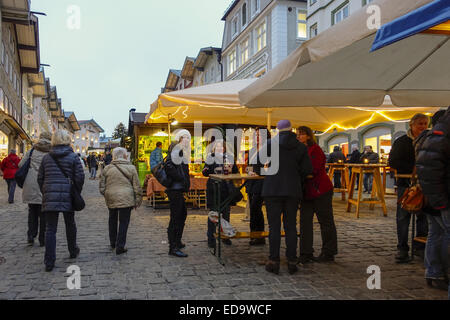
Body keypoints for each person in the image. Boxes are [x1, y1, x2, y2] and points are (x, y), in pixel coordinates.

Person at [261, 120, 313, 275]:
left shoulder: (271, 143)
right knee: (291, 227)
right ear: (291, 129)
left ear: (278, 130)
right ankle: (291, 261)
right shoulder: (300, 146)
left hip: (272, 190)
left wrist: (267, 173)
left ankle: (273, 261)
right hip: (292, 190)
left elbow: (257, 162)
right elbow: (307, 170)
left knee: (274, 227)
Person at [38, 130, 85, 272]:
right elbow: (80, 177)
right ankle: (72, 250)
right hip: (68, 195)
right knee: (70, 224)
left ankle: (49, 261)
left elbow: (40, 178)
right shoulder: (73, 157)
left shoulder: (46, 158)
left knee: (50, 229)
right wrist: (75, 191)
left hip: (50, 195)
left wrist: (46, 190)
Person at [416, 107, 450, 295]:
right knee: (442, 234)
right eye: (419, 123)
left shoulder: (430, 137)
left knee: (435, 233)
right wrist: (440, 201)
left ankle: (434, 271)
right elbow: (428, 168)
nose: (422, 126)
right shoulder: (438, 135)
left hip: (433, 197)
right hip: (439, 197)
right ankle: (439, 271)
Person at [389, 113, 430, 263]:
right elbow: (393, 161)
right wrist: (413, 168)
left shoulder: (428, 141)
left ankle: (419, 247)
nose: (423, 127)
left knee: (423, 217)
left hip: (424, 184)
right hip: (405, 185)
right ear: (412, 125)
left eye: (425, 123)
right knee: (403, 217)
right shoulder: (402, 142)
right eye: (420, 124)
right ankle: (402, 248)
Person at [297, 126, 338, 264]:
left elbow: (312, 169)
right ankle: (305, 252)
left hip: (321, 190)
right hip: (307, 191)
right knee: (305, 222)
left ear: (308, 136)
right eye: (297, 134)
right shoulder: (300, 150)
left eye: (301, 134)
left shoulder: (315, 150)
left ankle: (329, 252)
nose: (298, 136)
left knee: (325, 221)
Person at [100, 147, 142, 255]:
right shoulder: (131, 168)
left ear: (113, 156)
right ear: (125, 156)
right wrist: (137, 200)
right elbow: (137, 186)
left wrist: (106, 193)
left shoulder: (107, 168)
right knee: (124, 222)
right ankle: (120, 245)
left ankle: (113, 242)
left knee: (112, 219)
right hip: (126, 197)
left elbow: (102, 186)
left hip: (111, 196)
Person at [202, 140, 239, 249]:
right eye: (217, 147)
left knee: (226, 213)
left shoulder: (229, 157)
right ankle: (211, 238)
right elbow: (205, 172)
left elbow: (236, 171)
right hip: (214, 188)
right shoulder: (210, 157)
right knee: (213, 213)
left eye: (221, 147)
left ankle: (225, 236)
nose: (219, 148)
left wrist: (231, 169)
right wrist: (206, 170)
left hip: (226, 189)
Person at [19, 132, 52, 247]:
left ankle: (31, 235)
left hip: (31, 184)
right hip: (45, 184)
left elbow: (20, 164)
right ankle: (42, 239)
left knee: (32, 211)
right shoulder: (51, 152)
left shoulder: (32, 151)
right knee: (43, 214)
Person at [165, 130, 191, 258]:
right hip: (175, 189)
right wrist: (181, 178)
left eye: (188, 138)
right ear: (180, 139)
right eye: (184, 137)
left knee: (182, 215)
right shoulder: (176, 148)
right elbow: (169, 165)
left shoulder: (181, 150)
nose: (187, 140)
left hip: (179, 189)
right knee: (176, 217)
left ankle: (177, 241)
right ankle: (173, 247)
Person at [246, 138, 266, 246]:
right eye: (256, 135)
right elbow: (249, 166)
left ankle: (260, 235)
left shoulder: (268, 149)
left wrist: (259, 173)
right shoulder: (252, 150)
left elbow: (270, 167)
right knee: (253, 209)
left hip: (262, 182)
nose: (258, 137)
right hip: (251, 182)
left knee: (255, 207)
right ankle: (254, 235)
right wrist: (249, 171)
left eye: (259, 135)